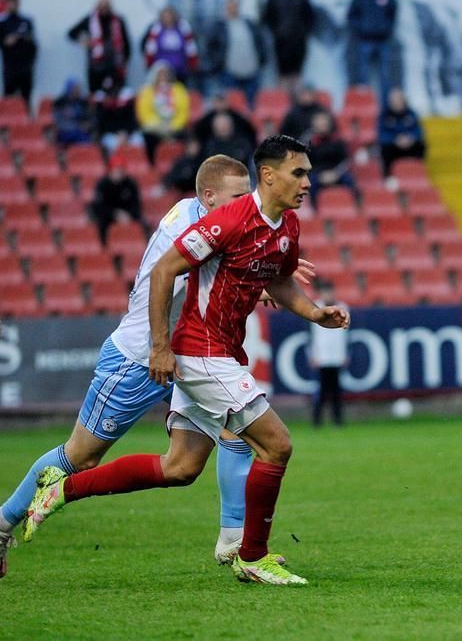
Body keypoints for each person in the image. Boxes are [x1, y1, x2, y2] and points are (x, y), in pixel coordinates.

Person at [24, 136, 349, 586]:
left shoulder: (287, 226)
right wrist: (160, 346)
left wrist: (315, 313)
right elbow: (164, 270)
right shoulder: (229, 220)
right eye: (300, 173)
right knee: (276, 443)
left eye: (310, 172)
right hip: (201, 353)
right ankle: (250, 554)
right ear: (269, 175)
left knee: (180, 468)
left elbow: (277, 279)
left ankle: (62, 490)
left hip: (223, 352)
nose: (308, 182)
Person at [0, 156, 273, 579]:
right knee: (80, 456)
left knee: (228, 436)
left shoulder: (212, 217)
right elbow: (169, 286)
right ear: (208, 196)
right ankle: (2, 525)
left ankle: (233, 542)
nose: (247, 203)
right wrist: (160, 349)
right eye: (239, 196)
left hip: (193, 357)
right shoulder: (184, 229)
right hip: (141, 356)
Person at [204, 0, 268, 108]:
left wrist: (262, 60)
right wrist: (217, 64)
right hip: (229, 73)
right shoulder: (219, 26)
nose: (232, 9)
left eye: (235, 6)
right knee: (233, 105)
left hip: (252, 72)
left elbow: (261, 43)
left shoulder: (249, 24)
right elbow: (209, 48)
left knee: (252, 105)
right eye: (230, 6)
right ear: (225, 8)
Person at [346, 0, 399, 98]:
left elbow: (393, 14)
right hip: (364, 41)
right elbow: (351, 16)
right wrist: (361, 28)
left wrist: (386, 28)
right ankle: (365, 108)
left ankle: (386, 108)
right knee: (363, 77)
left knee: (385, 76)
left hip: (383, 40)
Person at [262, 0, 315, 92]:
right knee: (283, 75)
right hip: (281, 43)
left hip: (299, 43)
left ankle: (299, 106)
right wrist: (278, 32)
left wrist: (303, 33)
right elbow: (267, 18)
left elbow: (310, 17)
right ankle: (283, 106)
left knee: (297, 75)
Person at [68, 0, 131, 94]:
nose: (104, 8)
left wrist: (125, 61)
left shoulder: (118, 20)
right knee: (96, 96)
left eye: (106, 5)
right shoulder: (90, 20)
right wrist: (84, 41)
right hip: (96, 67)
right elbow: (71, 33)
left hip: (115, 66)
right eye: (102, 5)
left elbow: (126, 43)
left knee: (117, 94)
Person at [308, 280, 349, 428]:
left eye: (330, 292)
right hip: (322, 358)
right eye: (325, 292)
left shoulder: (342, 307)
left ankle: (337, 420)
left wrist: (344, 354)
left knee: (337, 391)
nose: (328, 295)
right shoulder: (315, 308)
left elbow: (343, 335)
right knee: (322, 391)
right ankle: (317, 420)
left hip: (336, 357)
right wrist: (314, 355)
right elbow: (313, 335)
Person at [136, 60, 190, 166]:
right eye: (160, 74)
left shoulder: (179, 89)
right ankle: (152, 166)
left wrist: (173, 126)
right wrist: (159, 126)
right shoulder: (147, 91)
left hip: (174, 127)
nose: (163, 77)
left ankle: (182, 166)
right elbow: (143, 113)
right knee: (148, 138)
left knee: (188, 138)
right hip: (155, 128)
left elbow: (184, 111)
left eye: (165, 74)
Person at [306, 111, 359, 207]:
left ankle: (355, 207)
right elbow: (307, 165)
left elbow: (346, 162)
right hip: (319, 174)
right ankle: (315, 210)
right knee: (310, 183)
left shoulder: (338, 141)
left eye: (324, 124)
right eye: (319, 124)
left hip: (337, 173)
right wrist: (321, 176)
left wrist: (336, 174)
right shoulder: (309, 143)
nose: (322, 126)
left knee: (350, 181)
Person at [89, 154, 143, 245]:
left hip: (127, 215)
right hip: (108, 216)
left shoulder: (130, 184)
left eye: (121, 170)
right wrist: (115, 214)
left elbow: (136, 204)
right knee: (101, 223)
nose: (118, 173)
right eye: (115, 170)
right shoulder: (102, 184)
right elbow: (99, 206)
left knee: (142, 224)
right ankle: (105, 248)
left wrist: (129, 215)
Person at [143, 6, 199, 85]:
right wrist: (149, 64)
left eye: (170, 15)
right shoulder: (155, 30)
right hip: (161, 71)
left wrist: (193, 64)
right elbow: (148, 48)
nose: (168, 18)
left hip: (180, 70)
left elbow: (191, 48)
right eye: (165, 16)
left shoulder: (184, 28)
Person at [0, 0, 37, 107]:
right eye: (11, 2)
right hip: (10, 68)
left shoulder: (26, 22)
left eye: (16, 2)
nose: (14, 4)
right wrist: (6, 41)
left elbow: (33, 44)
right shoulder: (3, 23)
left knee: (26, 100)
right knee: (9, 100)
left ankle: (28, 124)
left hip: (25, 68)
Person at [378, 88, 426, 176]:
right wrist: (395, 140)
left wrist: (410, 138)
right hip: (393, 147)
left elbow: (419, 132)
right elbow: (381, 135)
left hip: (409, 146)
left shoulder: (411, 114)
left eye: (399, 99)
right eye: (394, 100)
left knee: (421, 145)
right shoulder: (384, 115)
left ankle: (418, 172)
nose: (397, 102)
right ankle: (388, 176)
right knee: (384, 149)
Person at [192, 93, 257, 154]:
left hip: (235, 144)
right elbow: (198, 132)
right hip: (214, 146)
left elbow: (249, 130)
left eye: (222, 102)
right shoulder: (207, 119)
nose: (220, 105)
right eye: (218, 102)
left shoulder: (236, 116)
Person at [52, 79, 93, 146]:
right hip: (64, 131)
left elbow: (88, 118)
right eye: (75, 88)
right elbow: (57, 120)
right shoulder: (60, 102)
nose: (78, 90)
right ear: (70, 88)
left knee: (85, 139)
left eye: (79, 88)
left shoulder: (82, 102)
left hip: (80, 131)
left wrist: (87, 124)